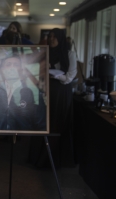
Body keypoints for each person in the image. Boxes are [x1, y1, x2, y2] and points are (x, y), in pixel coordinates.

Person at [29, 28, 77, 167]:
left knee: (58, 123)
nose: (52, 39)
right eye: (50, 36)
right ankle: (39, 157)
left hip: (61, 92)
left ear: (61, 38)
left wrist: (55, 75)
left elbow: (69, 77)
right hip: (47, 90)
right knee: (44, 122)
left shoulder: (70, 54)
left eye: (55, 37)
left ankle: (56, 159)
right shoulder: (45, 52)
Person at [0, 53, 46, 131]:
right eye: (8, 65)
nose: (12, 68)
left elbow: (42, 125)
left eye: (16, 65)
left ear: (21, 70)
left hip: (24, 141)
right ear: (2, 70)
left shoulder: (33, 94)